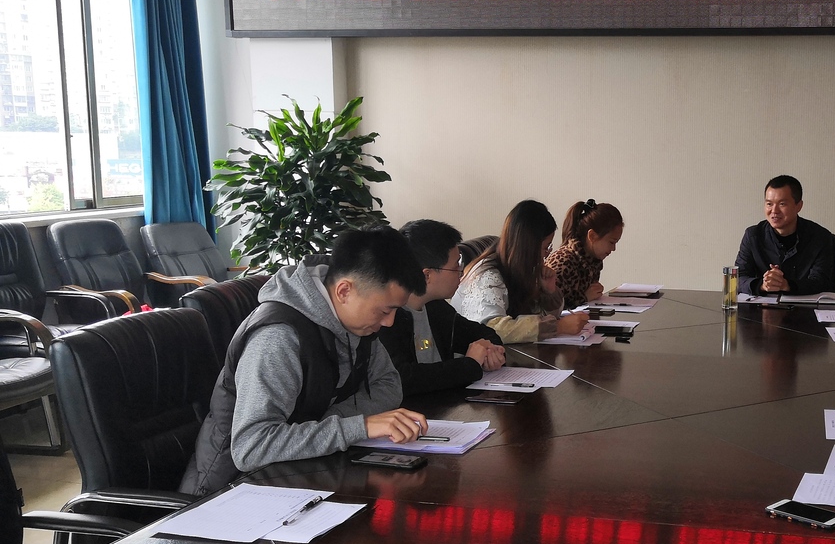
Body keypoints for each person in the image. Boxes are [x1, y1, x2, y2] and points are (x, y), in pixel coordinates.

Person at [182, 227, 431, 494]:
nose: (390, 322)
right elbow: (251, 447)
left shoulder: (357, 323)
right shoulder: (279, 337)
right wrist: (359, 426)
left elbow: (389, 384)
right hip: (230, 491)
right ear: (344, 291)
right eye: (385, 310)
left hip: (303, 475)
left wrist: (331, 423)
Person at [379, 219, 507, 396]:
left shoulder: (437, 308)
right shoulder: (387, 318)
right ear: (427, 275)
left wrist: (492, 353)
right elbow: (403, 378)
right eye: (455, 267)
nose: (461, 273)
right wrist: (468, 365)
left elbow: (484, 333)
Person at [454, 199, 590, 343]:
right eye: (546, 248)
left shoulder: (518, 270)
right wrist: (557, 327)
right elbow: (493, 329)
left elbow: (536, 314)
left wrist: (549, 291)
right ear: (528, 246)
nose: (547, 255)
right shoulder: (487, 276)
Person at [735, 175, 835, 295]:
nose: (774, 211)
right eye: (769, 204)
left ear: (798, 206)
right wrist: (762, 285)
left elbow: (822, 282)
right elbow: (738, 277)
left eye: (782, 204)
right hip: (763, 305)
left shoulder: (821, 238)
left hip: (806, 306)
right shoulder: (753, 236)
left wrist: (787, 285)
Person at [546, 200, 624, 308]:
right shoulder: (563, 263)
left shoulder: (593, 260)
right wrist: (584, 298)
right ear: (592, 236)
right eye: (611, 242)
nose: (614, 249)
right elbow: (547, 308)